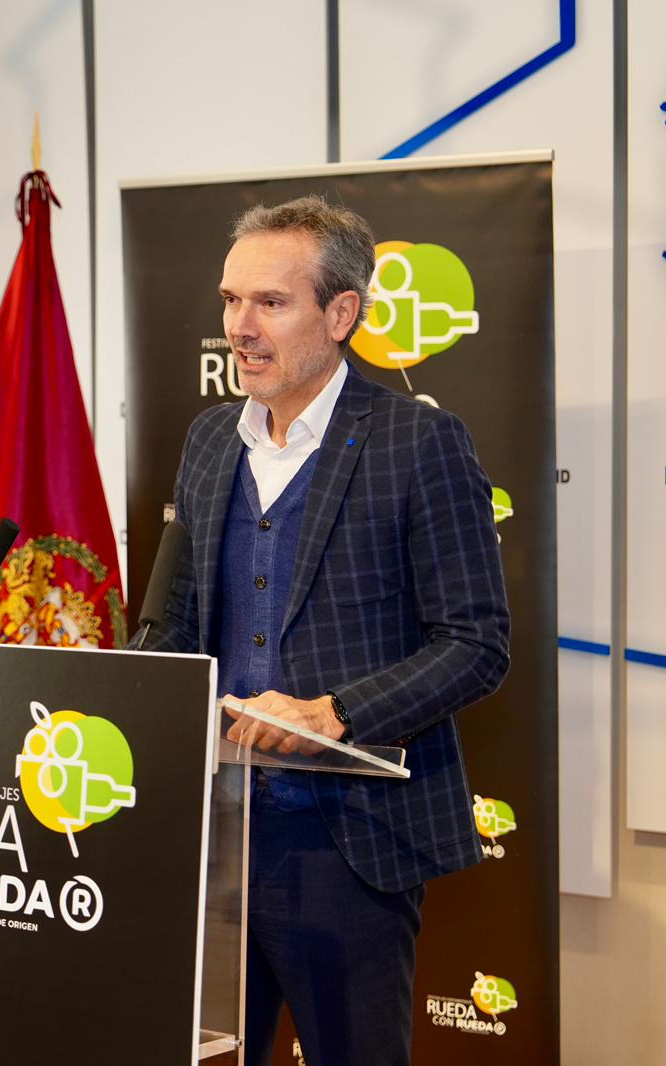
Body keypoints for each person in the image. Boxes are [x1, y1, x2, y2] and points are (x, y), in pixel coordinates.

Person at [139, 196, 510, 1065]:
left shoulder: (419, 443)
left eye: (270, 302)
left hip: (352, 844)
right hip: (216, 837)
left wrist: (334, 713)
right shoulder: (208, 441)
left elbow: (477, 643)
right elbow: (176, 627)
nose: (240, 327)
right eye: (231, 300)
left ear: (342, 313)